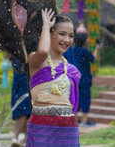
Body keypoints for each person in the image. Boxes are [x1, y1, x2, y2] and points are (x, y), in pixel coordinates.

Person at [26, 8, 81, 146]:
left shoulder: (72, 71)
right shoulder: (36, 60)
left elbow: (73, 104)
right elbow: (44, 51)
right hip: (41, 125)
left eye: (71, 36)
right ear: (50, 34)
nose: (67, 40)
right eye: (62, 34)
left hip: (68, 127)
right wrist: (46, 25)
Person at [65, 23, 102, 127]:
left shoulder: (71, 50)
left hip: (74, 80)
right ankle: (84, 122)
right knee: (85, 99)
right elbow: (93, 59)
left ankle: (75, 121)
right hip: (84, 80)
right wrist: (97, 49)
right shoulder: (85, 51)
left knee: (75, 100)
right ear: (84, 40)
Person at [10, 57, 31, 147]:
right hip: (17, 77)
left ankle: (16, 136)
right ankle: (27, 137)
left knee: (22, 107)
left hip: (26, 77)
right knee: (24, 108)